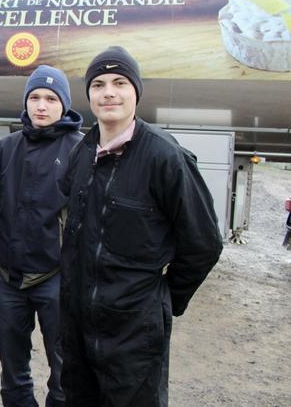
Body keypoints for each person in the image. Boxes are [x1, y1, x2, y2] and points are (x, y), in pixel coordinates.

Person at [59, 46, 223, 406]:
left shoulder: (165, 157)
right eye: (99, 84)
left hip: (134, 332)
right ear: (88, 94)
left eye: (120, 82)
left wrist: (161, 298)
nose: (109, 93)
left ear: (136, 91)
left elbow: (204, 243)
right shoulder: (82, 152)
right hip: (77, 325)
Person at [0, 65, 81, 407]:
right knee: (13, 371)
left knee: (65, 371)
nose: (41, 105)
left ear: (64, 104)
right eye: (34, 97)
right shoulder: (6, 148)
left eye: (51, 98)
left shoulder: (80, 150)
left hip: (56, 279)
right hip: (7, 278)